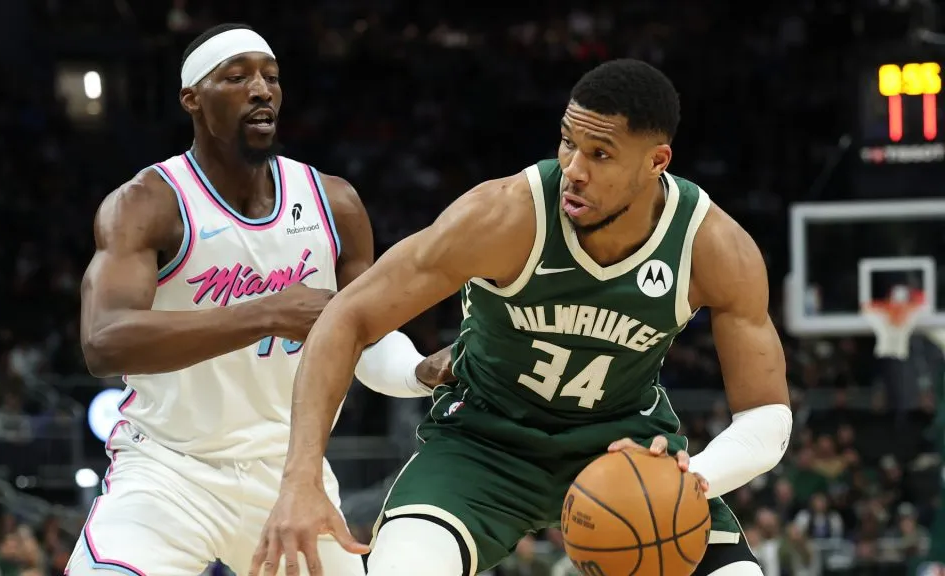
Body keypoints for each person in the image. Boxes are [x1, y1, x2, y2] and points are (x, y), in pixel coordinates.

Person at [253, 59, 793, 576]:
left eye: (600, 154)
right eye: (567, 141)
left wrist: (691, 478)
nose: (574, 170)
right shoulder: (505, 215)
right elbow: (345, 318)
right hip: (483, 444)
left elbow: (767, 417)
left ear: (656, 162)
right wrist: (301, 478)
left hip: (622, 445)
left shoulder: (712, 247)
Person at [66, 23, 439, 576]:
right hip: (169, 470)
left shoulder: (334, 203)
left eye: (271, 77)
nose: (261, 89)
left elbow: (362, 336)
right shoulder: (147, 203)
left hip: (291, 475)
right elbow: (104, 343)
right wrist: (266, 313)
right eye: (237, 77)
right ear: (193, 99)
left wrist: (418, 370)